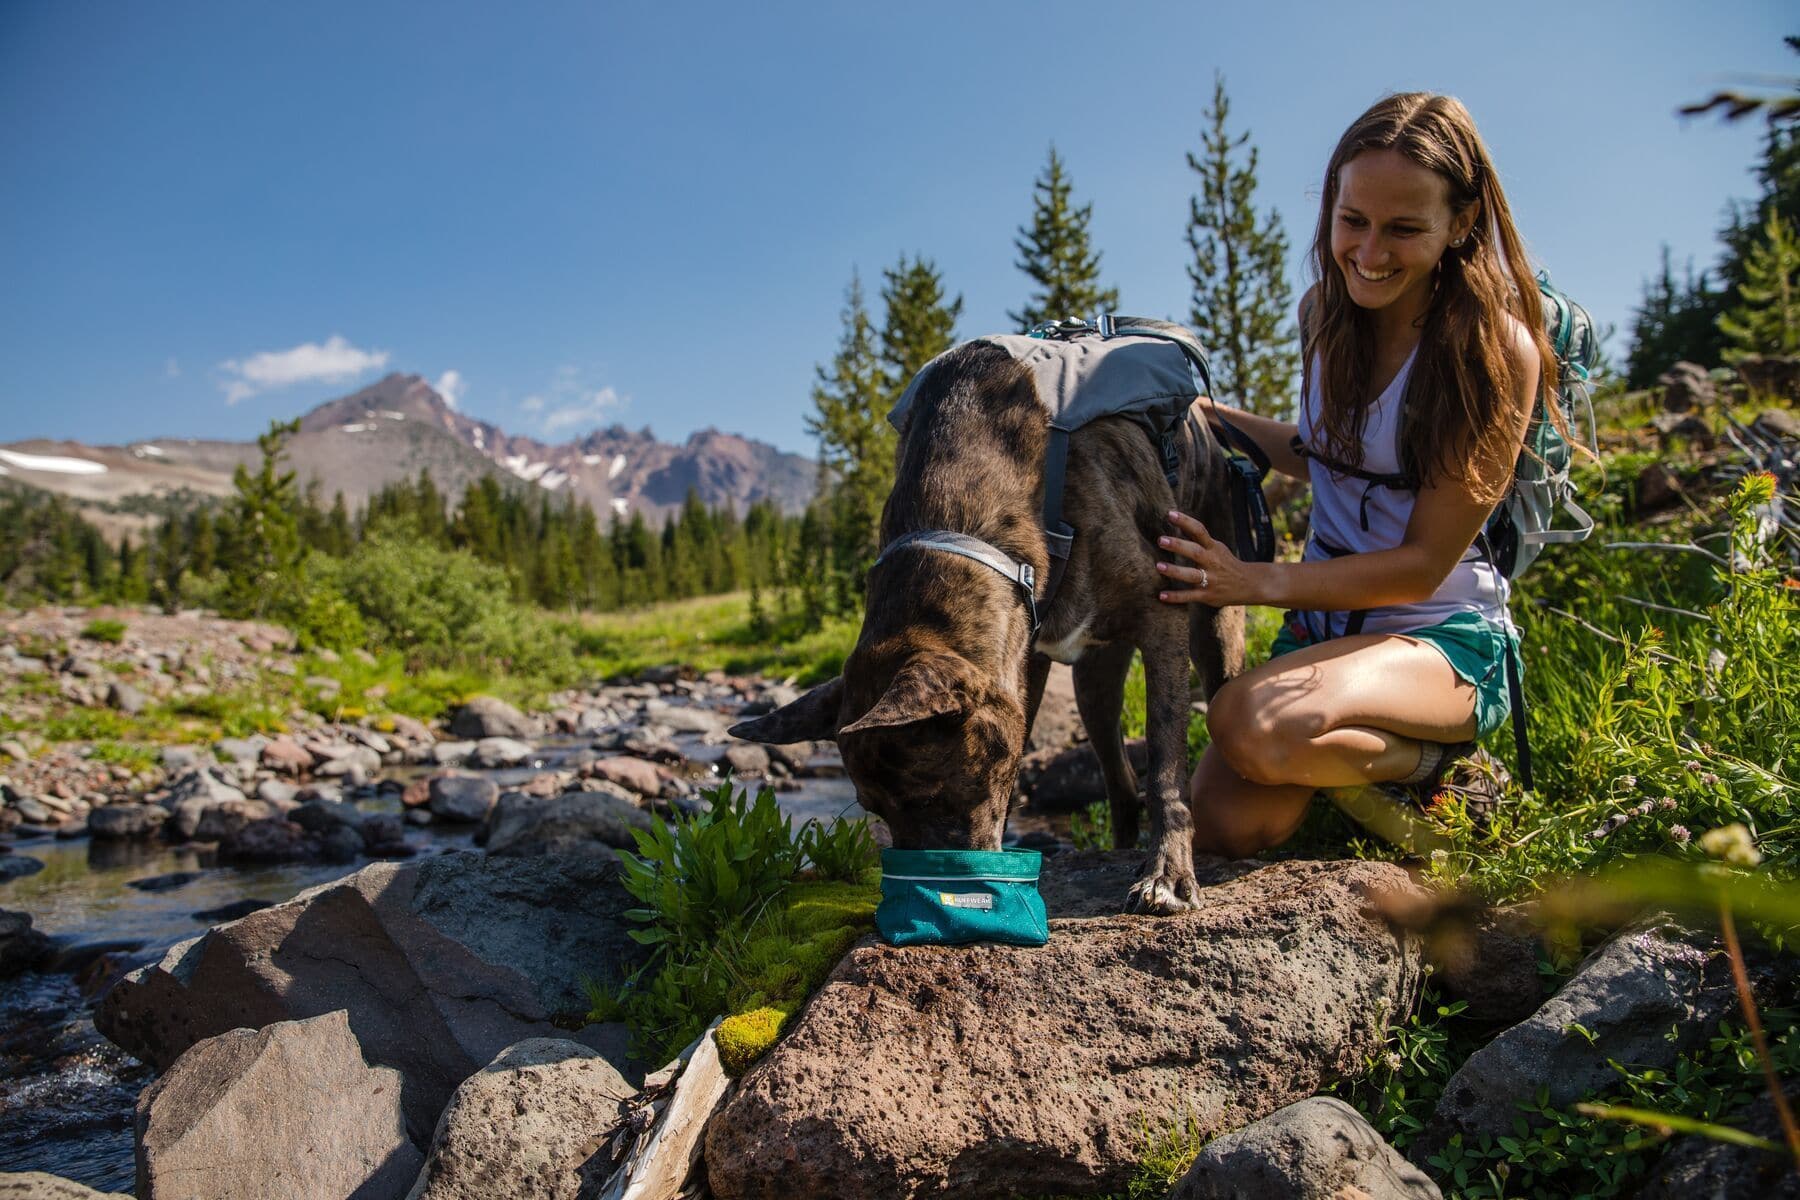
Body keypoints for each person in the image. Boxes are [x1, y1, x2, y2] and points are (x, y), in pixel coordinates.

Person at [1156, 92, 1556, 857]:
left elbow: (1422, 565)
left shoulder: (1495, 351)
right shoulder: (1323, 314)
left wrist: (1251, 581)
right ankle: (1380, 765)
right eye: (1353, 221)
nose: (1370, 253)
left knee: (1248, 722)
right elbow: (1327, 454)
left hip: (1440, 637)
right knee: (1229, 825)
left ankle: (1446, 771)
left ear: (1461, 223)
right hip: (1330, 628)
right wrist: (1207, 414)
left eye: (1404, 229)